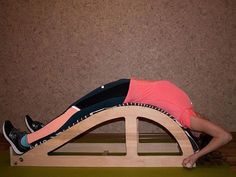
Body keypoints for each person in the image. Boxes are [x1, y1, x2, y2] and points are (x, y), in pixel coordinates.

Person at [2, 78, 232, 168]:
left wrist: (195, 156)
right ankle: (42, 132)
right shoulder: (189, 107)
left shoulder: (188, 119)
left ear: (201, 132)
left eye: (209, 126)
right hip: (124, 86)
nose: (210, 120)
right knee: (73, 109)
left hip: (123, 95)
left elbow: (226, 136)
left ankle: (23, 142)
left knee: (74, 114)